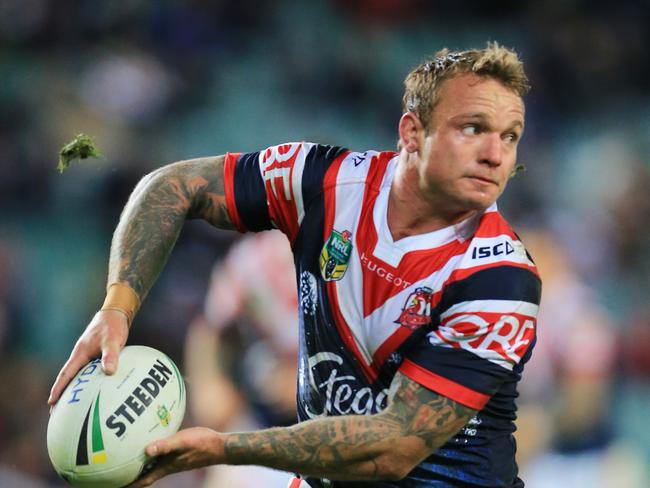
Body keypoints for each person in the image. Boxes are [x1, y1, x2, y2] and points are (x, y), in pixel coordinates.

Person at [48, 42, 542, 487]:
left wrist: (224, 447)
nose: (496, 155)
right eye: (473, 128)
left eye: (511, 136)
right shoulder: (322, 183)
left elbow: (394, 448)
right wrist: (117, 306)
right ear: (412, 132)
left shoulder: (500, 279)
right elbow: (172, 187)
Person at [184, 230, 299, 487]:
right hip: (261, 423)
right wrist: (209, 383)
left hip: (335, 434)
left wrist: (309, 384)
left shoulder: (360, 261)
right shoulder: (254, 258)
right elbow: (208, 329)